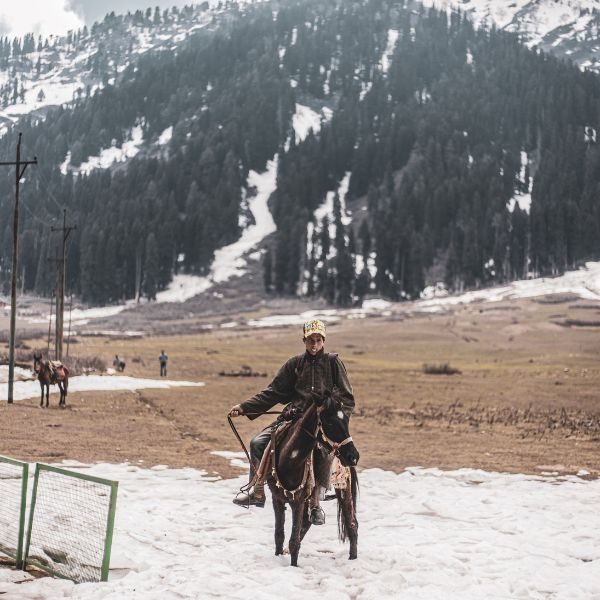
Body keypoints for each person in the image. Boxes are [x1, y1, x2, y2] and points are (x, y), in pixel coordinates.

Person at [229, 319, 354, 525]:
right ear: (303, 340)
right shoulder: (295, 364)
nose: (314, 345)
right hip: (292, 419)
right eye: (310, 340)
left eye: (318, 340)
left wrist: (337, 422)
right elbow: (273, 392)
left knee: (324, 452)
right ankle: (258, 490)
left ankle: (316, 504)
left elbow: (347, 399)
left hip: (323, 424)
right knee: (258, 442)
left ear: (323, 340)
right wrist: (244, 407)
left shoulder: (333, 363)